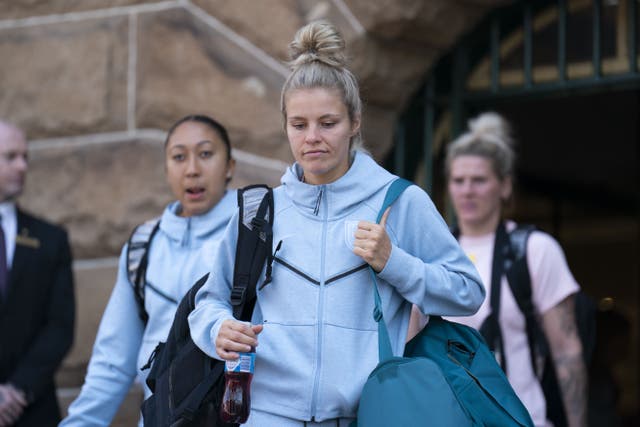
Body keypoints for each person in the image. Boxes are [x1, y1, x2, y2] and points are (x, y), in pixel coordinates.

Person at [188, 21, 485, 427]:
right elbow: (207, 301)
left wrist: (394, 262)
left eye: (328, 123)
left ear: (355, 122)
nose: (313, 137)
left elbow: (467, 292)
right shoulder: (260, 211)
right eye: (299, 125)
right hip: (265, 416)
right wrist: (217, 328)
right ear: (286, 125)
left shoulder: (398, 201)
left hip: (367, 417)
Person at [60, 114, 238, 427]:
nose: (192, 169)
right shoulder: (143, 245)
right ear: (167, 169)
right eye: (179, 157)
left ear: (230, 167)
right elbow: (112, 362)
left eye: (206, 154)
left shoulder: (253, 233)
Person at [437, 112, 587, 427]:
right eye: (458, 180)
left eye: (479, 180)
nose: (467, 191)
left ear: (504, 186)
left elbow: (566, 352)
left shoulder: (534, 250)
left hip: (522, 418)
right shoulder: (433, 252)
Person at [0, 121, 75, 427]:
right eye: (10, 157)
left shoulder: (49, 239)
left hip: (31, 409)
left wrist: (15, 391)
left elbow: (60, 326)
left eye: (25, 157)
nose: (22, 166)